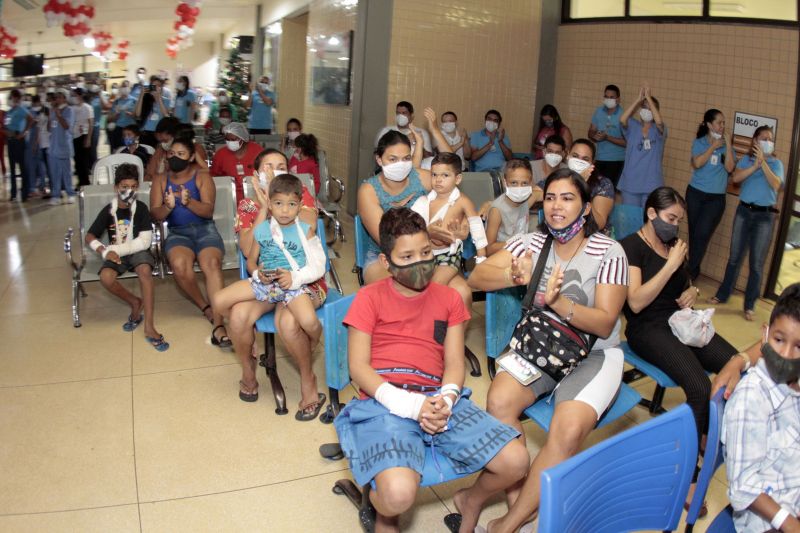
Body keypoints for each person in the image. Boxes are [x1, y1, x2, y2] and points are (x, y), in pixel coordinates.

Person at [335, 207, 529, 533]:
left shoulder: (449, 299)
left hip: (436, 396)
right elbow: (358, 367)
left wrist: (448, 398)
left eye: (426, 252)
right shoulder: (368, 298)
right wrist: (410, 406)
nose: (420, 263)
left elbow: (454, 363)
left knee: (516, 461)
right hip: (384, 400)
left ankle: (471, 499)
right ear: (386, 262)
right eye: (407, 256)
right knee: (397, 495)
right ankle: (384, 514)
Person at [468, 168, 629, 533]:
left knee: (567, 431)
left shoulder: (609, 251)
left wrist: (556, 302)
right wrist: (516, 275)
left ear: (586, 208)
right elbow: (475, 278)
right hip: (544, 345)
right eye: (551, 197)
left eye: (568, 198)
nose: (557, 206)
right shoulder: (532, 243)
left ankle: (507, 524)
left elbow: (605, 322)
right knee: (499, 403)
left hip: (595, 354)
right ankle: (522, 502)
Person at [621, 186, 737, 510]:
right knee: (700, 386)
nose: (674, 226)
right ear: (651, 213)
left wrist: (693, 292)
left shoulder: (673, 245)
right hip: (647, 328)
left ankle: (704, 432)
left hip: (680, 319)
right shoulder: (629, 248)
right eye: (670, 218)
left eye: (678, 220)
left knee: (735, 363)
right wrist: (670, 265)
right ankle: (686, 473)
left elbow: (685, 286)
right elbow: (636, 301)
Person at [212, 174, 328, 417]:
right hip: (269, 285)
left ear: (299, 204)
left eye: (291, 204)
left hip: (298, 284)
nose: (284, 210)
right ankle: (248, 361)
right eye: (278, 203)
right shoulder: (263, 228)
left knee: (297, 322)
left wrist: (293, 279)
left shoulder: (304, 228)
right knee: (226, 306)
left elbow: (318, 265)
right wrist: (259, 275)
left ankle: (309, 371)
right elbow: (252, 262)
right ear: (270, 202)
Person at [722, 282, 800, 533]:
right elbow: (743, 485)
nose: (786, 354)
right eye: (779, 340)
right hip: (768, 518)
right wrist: (789, 524)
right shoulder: (751, 398)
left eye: (799, 346)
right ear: (765, 334)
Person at [149, 134, 230, 349]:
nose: (175, 157)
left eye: (181, 154)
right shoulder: (160, 180)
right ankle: (205, 306)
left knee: (210, 264)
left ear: (191, 156)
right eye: (172, 153)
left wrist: (188, 202)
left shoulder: (202, 175)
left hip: (205, 229)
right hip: (177, 233)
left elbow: (208, 210)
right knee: (179, 265)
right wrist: (168, 207)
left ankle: (219, 325)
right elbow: (156, 214)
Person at [85, 163, 168, 351]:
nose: (128, 191)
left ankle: (149, 326)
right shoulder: (109, 210)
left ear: (137, 187)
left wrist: (117, 251)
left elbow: (145, 242)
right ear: (116, 187)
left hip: (137, 252)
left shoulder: (141, 209)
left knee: (145, 270)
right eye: (124, 187)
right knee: (106, 277)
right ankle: (134, 302)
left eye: (133, 187)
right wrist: (105, 252)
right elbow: (89, 236)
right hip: (115, 254)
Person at [710, 125, 784, 321]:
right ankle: (722, 294)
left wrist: (764, 164)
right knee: (734, 257)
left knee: (756, 264)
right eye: (763, 138)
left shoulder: (777, 163)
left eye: (770, 139)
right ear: (755, 141)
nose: (767, 142)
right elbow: (735, 179)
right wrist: (754, 165)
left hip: (765, 217)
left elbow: (776, 184)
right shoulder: (746, 159)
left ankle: (749, 305)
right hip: (744, 212)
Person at [236, 148, 317, 260]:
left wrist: (278, 192)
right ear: (256, 174)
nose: (273, 174)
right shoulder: (247, 205)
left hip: (301, 263)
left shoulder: (300, 191)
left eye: (281, 168)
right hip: (267, 268)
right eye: (268, 168)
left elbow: (310, 225)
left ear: (287, 173)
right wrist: (265, 208)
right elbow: (247, 251)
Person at [686, 109, 736, 280]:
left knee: (702, 234)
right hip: (695, 194)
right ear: (709, 124)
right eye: (719, 122)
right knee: (694, 234)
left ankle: (689, 273)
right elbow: (697, 163)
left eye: (724, 123)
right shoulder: (699, 142)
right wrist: (713, 147)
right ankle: (691, 270)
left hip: (715, 199)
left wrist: (728, 145)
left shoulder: (728, 147)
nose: (722, 126)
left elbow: (730, 168)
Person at [427, 152, 488, 287]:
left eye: (445, 175)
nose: (438, 179)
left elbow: (476, 227)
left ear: (458, 178)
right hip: (425, 253)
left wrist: (481, 256)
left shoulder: (463, 201)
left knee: (436, 285)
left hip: (449, 254)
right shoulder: (426, 200)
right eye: (434, 175)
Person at [617, 84, 667, 207]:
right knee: (630, 219)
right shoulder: (633, 126)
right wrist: (638, 100)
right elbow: (622, 120)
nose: (647, 110)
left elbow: (659, 122)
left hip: (651, 183)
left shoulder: (659, 130)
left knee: (648, 218)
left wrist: (649, 99)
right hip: (631, 182)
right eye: (644, 108)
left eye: (650, 108)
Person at [562, 138, 615, 233]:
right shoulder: (559, 178)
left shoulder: (603, 184)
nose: (579, 161)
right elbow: (537, 193)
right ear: (568, 155)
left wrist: (581, 186)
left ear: (592, 163)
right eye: (575, 156)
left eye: (585, 159)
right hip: (563, 232)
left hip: (592, 234)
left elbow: (599, 224)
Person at [485, 158, 536, 255]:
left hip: (519, 254)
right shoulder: (497, 210)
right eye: (514, 183)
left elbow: (541, 194)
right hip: (501, 257)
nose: (519, 188)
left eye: (524, 183)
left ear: (531, 183)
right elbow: (489, 249)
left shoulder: (526, 201)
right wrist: (521, 242)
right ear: (505, 183)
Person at [209, 121, 262, 203]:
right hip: (229, 198)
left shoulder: (257, 151)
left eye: (233, 139)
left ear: (243, 138)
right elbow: (214, 177)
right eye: (227, 139)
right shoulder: (220, 154)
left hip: (255, 196)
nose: (230, 142)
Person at [588, 84, 626, 187]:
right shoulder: (599, 111)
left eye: (611, 97)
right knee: (594, 188)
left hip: (616, 161)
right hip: (599, 158)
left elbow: (627, 143)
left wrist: (607, 138)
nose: (608, 99)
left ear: (618, 99)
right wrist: (594, 136)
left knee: (609, 190)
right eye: (606, 97)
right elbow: (591, 131)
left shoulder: (624, 116)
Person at [48, 89, 76, 205]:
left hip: (64, 145)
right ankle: (56, 195)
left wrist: (59, 115)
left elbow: (66, 126)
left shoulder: (69, 110)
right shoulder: (53, 111)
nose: (57, 100)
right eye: (56, 97)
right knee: (54, 172)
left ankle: (70, 193)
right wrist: (51, 114)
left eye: (60, 97)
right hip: (53, 146)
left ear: (65, 98)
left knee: (66, 172)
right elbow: (49, 128)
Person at [5, 88, 34, 201]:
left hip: (18, 140)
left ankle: (24, 193)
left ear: (17, 98)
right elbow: (7, 125)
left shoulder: (21, 109)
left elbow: (31, 120)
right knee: (12, 168)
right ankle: (13, 194)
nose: (12, 99)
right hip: (10, 139)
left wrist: (24, 132)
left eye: (13, 97)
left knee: (22, 167)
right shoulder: (10, 111)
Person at [135, 76, 171, 148]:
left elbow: (166, 115)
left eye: (159, 86)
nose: (156, 87)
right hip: (145, 132)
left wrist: (158, 98)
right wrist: (141, 95)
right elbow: (137, 114)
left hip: (159, 134)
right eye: (154, 86)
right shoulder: (146, 99)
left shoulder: (166, 100)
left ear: (162, 88)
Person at [70, 88, 94, 188]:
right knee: (77, 161)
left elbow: (91, 124)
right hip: (74, 136)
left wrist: (88, 138)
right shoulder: (72, 109)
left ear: (80, 96)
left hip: (84, 135)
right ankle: (80, 181)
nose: (73, 97)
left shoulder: (87, 108)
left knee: (83, 161)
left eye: (75, 95)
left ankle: (86, 182)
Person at [144, 117, 180, 182]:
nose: (162, 142)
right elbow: (150, 173)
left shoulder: (181, 154)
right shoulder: (160, 149)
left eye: (165, 140)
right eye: (160, 141)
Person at [107, 84, 137, 152]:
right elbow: (110, 118)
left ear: (129, 88)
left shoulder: (134, 100)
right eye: (123, 87)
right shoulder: (116, 101)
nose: (124, 89)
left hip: (130, 128)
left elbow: (137, 116)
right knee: (119, 149)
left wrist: (131, 114)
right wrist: (116, 113)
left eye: (126, 86)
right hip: (119, 129)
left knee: (130, 148)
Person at [30, 95, 50, 196]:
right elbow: (39, 130)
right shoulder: (42, 114)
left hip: (46, 144)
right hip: (44, 144)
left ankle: (45, 186)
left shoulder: (45, 114)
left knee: (45, 166)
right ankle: (45, 187)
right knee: (45, 166)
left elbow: (41, 130)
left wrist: (35, 144)